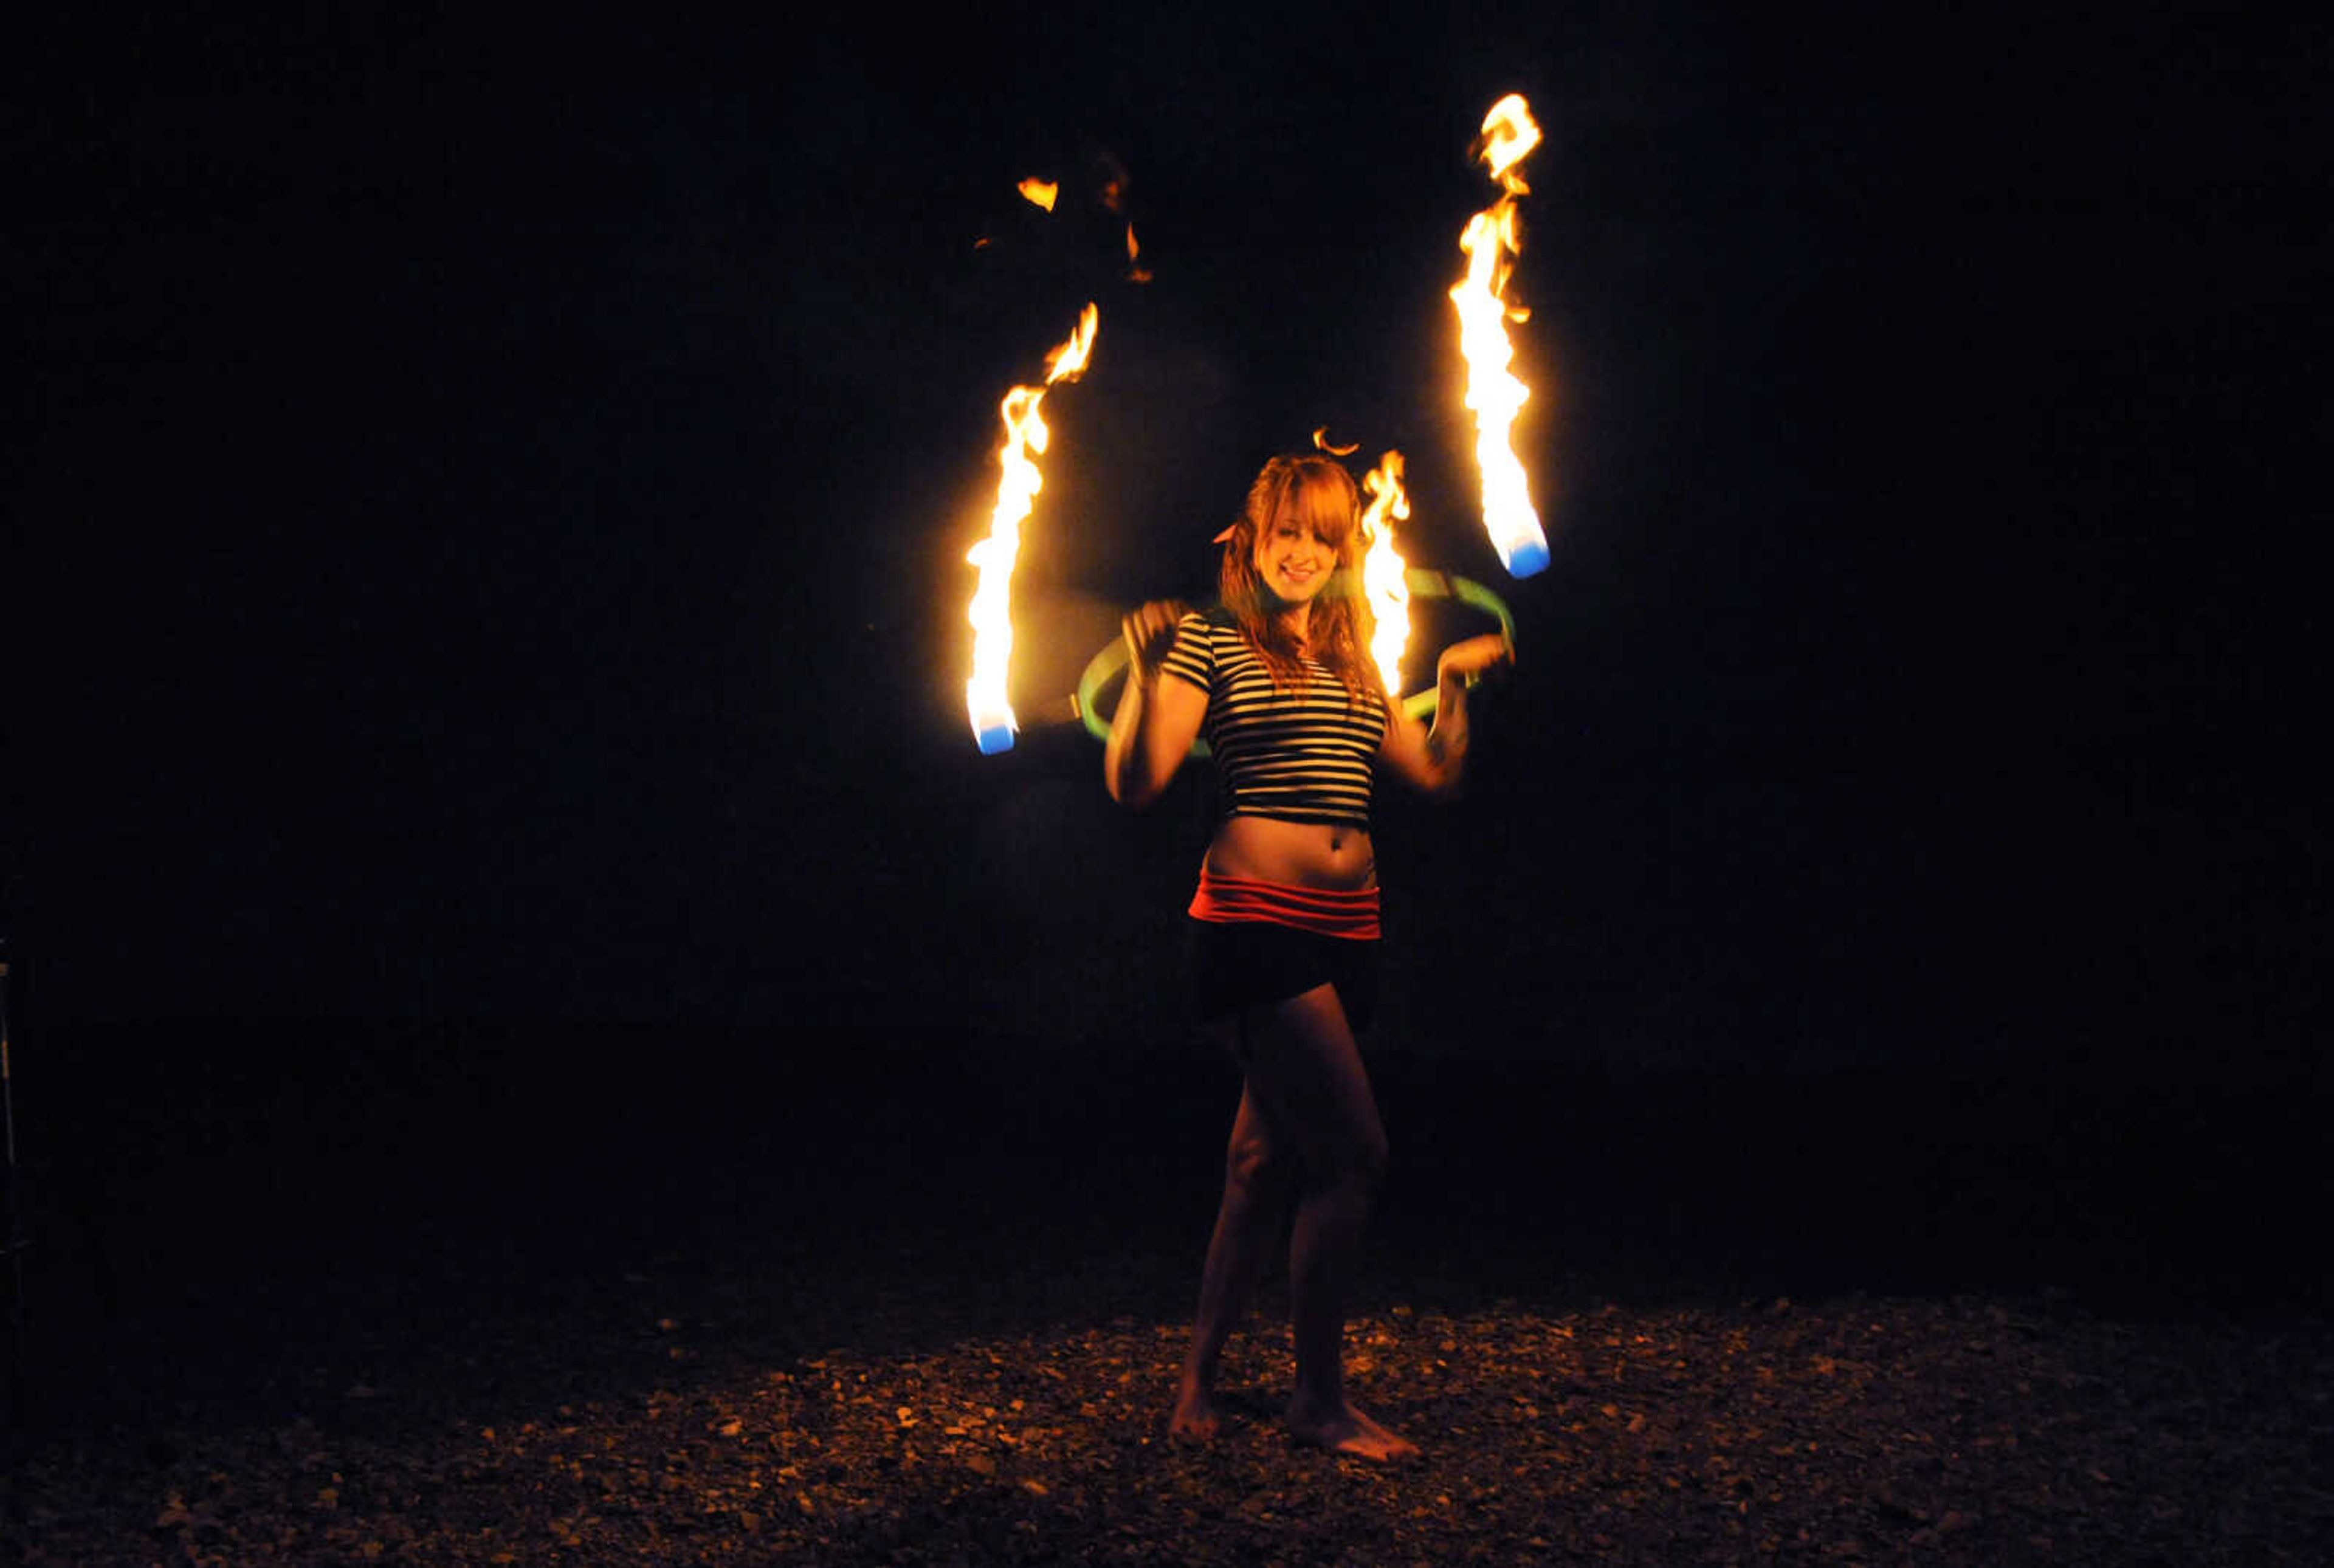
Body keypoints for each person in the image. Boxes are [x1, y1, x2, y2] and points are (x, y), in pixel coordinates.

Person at [1104, 451, 1512, 1462]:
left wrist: (1452, 687)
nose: (1304, 552)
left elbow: (1433, 775)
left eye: (1324, 537)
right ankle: (1318, 1402)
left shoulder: (1357, 657)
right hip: (1254, 923)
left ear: (1344, 550)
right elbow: (1139, 783)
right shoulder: (1210, 640)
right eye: (1288, 531)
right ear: (1252, 539)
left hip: (1350, 932)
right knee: (1356, 1157)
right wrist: (1148, 670)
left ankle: (1198, 1382)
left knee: (1260, 1162)